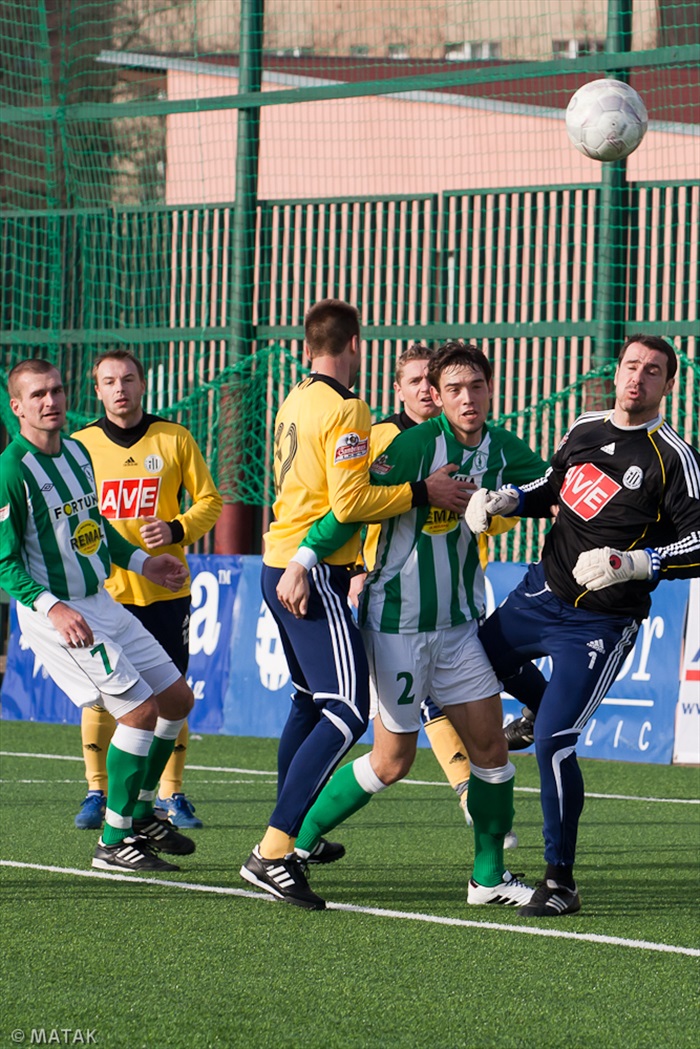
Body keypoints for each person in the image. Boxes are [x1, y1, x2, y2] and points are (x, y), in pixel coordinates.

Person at [283, 341, 548, 907]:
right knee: (391, 761)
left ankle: (489, 879)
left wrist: (512, 500)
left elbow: (552, 490)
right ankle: (298, 841)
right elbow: (350, 508)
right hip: (396, 626)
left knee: (492, 754)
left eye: (476, 386)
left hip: (457, 629)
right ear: (437, 394)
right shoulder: (411, 447)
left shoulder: (504, 447)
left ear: (490, 388)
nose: (466, 397)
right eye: (453, 388)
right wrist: (304, 561)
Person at [239, 301, 474, 910]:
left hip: (279, 562)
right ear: (356, 343)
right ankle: (273, 849)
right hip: (312, 571)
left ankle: (287, 831)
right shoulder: (348, 407)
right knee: (345, 712)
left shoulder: (294, 398)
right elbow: (348, 501)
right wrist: (425, 490)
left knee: (307, 702)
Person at [466, 333, 700, 917]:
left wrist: (636, 562)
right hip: (538, 594)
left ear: (668, 385)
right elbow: (552, 488)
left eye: (651, 372)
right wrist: (506, 500)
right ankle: (536, 707)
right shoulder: (584, 427)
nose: (636, 379)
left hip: (599, 623)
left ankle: (559, 880)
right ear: (616, 372)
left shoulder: (674, 456)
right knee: (468, 669)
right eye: (629, 366)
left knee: (553, 744)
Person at [0, 358, 199, 871]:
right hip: (56, 614)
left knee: (177, 699)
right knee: (137, 712)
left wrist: (143, 562)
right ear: (16, 407)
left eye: (57, 391)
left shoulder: (78, 453)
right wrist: (54, 606)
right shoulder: (11, 471)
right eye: (38, 395)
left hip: (101, 601)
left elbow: (97, 528)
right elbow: (3, 562)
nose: (51, 402)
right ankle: (114, 841)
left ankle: (136, 809)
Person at [351, 343, 522, 847]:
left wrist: (500, 508)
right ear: (404, 389)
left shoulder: (492, 446)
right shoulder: (392, 440)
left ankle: (486, 863)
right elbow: (350, 505)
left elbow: (533, 493)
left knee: (489, 740)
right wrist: (334, 566)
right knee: (392, 759)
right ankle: (288, 838)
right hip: (397, 613)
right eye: (421, 382)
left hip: (462, 610)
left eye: (443, 382)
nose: (431, 391)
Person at [71, 350, 223, 831]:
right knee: (102, 695)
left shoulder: (174, 438)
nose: (120, 388)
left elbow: (210, 502)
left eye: (128, 379)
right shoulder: (79, 446)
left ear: (142, 385)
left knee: (172, 695)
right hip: (104, 592)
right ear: (96, 390)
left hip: (167, 592)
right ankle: (98, 791)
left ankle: (170, 794)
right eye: (109, 381)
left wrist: (176, 530)